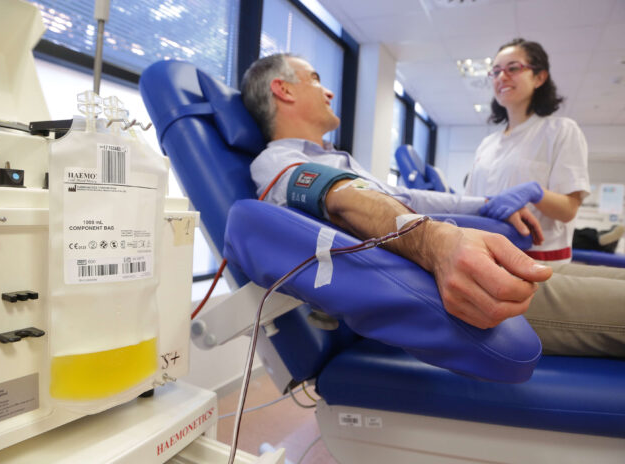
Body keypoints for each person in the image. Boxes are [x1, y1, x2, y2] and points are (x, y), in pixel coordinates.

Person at [241, 53, 625, 357]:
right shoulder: (277, 160)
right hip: (441, 288)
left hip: (468, 270)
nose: (328, 92)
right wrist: (434, 242)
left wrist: (486, 204)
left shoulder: (334, 158)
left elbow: (407, 199)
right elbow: (343, 198)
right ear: (283, 89)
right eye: (314, 79)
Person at [463, 38, 625, 356]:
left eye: (513, 68)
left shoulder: (560, 130)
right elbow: (472, 208)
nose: (501, 76)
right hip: (492, 267)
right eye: (495, 71)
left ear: (539, 77)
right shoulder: (487, 146)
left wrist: (535, 192)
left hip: (542, 265)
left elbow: (568, 210)